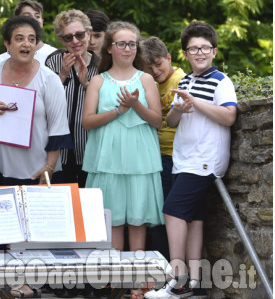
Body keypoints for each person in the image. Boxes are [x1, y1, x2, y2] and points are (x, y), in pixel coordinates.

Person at [0, 16, 72, 299]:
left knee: (30, 229)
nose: (26, 43)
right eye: (19, 38)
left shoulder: (49, 80)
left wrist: (50, 167)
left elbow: (58, 127)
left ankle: (28, 282)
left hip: (34, 167)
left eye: (31, 38)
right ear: (6, 43)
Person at [145, 22, 237, 299]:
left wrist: (195, 102)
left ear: (214, 50)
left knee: (172, 211)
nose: (199, 53)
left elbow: (229, 116)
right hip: (183, 159)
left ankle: (178, 280)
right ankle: (194, 283)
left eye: (204, 48)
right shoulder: (185, 82)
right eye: (193, 48)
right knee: (194, 219)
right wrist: (181, 108)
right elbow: (171, 120)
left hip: (205, 161)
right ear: (185, 53)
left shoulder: (221, 81)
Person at [81, 21, 164, 299]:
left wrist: (136, 105)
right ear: (110, 48)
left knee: (137, 219)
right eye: (121, 43)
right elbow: (87, 121)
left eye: (132, 44)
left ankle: (138, 282)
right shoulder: (98, 80)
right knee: (113, 219)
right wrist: (119, 110)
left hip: (140, 156)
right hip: (108, 158)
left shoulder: (146, 79)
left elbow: (157, 120)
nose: (127, 48)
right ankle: (115, 280)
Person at [139, 36, 186, 261]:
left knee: (168, 213)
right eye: (149, 68)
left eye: (158, 64)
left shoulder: (180, 80)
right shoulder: (151, 84)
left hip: (175, 156)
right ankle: (161, 266)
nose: (156, 71)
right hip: (155, 156)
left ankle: (170, 267)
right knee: (156, 214)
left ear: (169, 57)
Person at [45, 9, 100, 189]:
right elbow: (43, 103)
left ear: (89, 34)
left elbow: (106, 107)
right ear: (61, 40)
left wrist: (86, 84)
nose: (75, 41)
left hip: (89, 148)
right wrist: (62, 75)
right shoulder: (53, 61)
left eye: (79, 35)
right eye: (68, 37)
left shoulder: (101, 66)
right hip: (57, 150)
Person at [0, 0, 57, 67]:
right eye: (27, 16)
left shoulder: (54, 55)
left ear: (42, 21)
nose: (33, 19)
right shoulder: (1, 60)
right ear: (16, 20)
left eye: (37, 16)